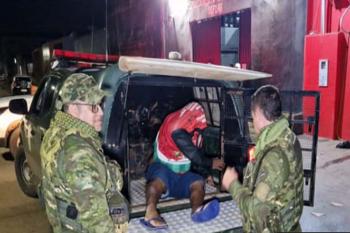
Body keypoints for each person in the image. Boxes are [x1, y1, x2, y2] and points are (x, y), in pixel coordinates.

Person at [40, 73, 128, 233]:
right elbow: (98, 224)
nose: (101, 112)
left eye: (100, 104)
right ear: (73, 107)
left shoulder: (57, 131)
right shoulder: (78, 152)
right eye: (93, 107)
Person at [222, 85, 304, 233]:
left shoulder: (274, 157)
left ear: (258, 113)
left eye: (252, 117)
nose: (252, 122)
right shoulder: (287, 135)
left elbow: (255, 210)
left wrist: (232, 184)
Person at [140, 102, 225, 229]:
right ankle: (150, 213)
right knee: (158, 178)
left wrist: (206, 174)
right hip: (164, 170)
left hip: (181, 175)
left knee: (197, 181)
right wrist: (211, 163)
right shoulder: (175, 127)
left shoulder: (194, 130)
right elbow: (194, 154)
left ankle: (197, 210)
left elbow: (198, 152)